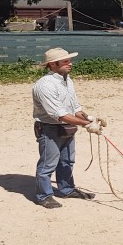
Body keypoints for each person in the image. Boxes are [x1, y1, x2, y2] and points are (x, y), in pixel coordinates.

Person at [31, 47, 105, 208]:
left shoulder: (67, 80)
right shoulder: (44, 85)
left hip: (67, 128)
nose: (70, 64)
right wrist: (87, 125)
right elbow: (59, 115)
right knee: (48, 164)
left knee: (67, 161)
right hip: (49, 129)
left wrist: (90, 118)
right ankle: (44, 196)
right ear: (52, 64)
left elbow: (75, 108)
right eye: (65, 61)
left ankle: (67, 189)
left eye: (69, 61)